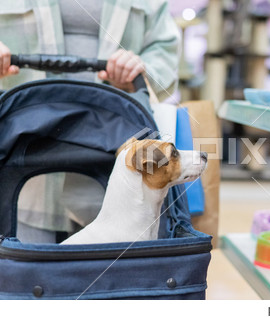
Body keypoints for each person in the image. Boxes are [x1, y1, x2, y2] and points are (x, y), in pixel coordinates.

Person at [0, 0, 180, 242]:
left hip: (116, 174)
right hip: (24, 179)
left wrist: (142, 68)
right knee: (24, 271)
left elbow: (164, 49)